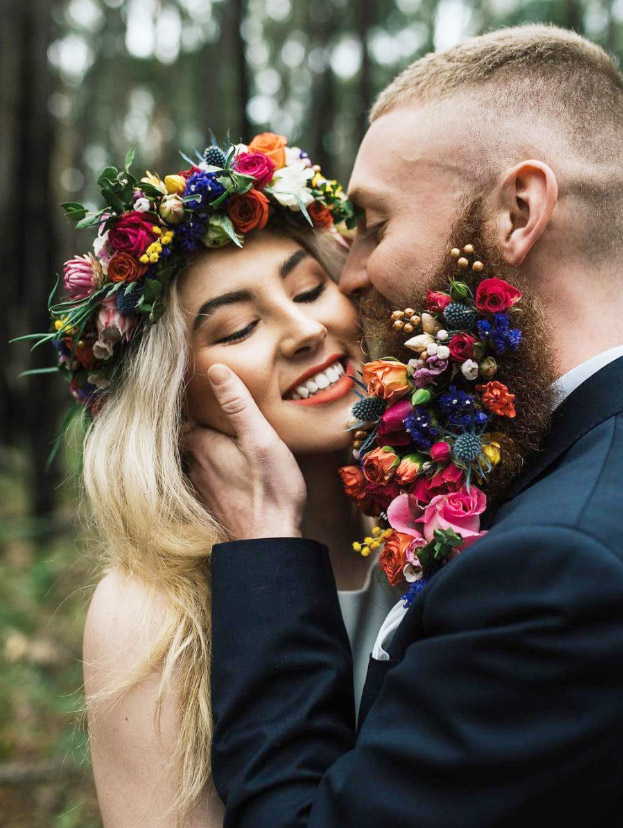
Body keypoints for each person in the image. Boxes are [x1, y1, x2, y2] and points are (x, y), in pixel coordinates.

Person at [185, 25, 623, 827]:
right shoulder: (563, 471)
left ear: (518, 211)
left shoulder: (561, 569)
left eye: (373, 222)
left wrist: (266, 556)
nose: (356, 271)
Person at [34, 139, 398, 827]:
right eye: (236, 329)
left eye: (310, 289)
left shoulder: (452, 520)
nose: (302, 330)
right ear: (173, 403)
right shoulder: (151, 610)